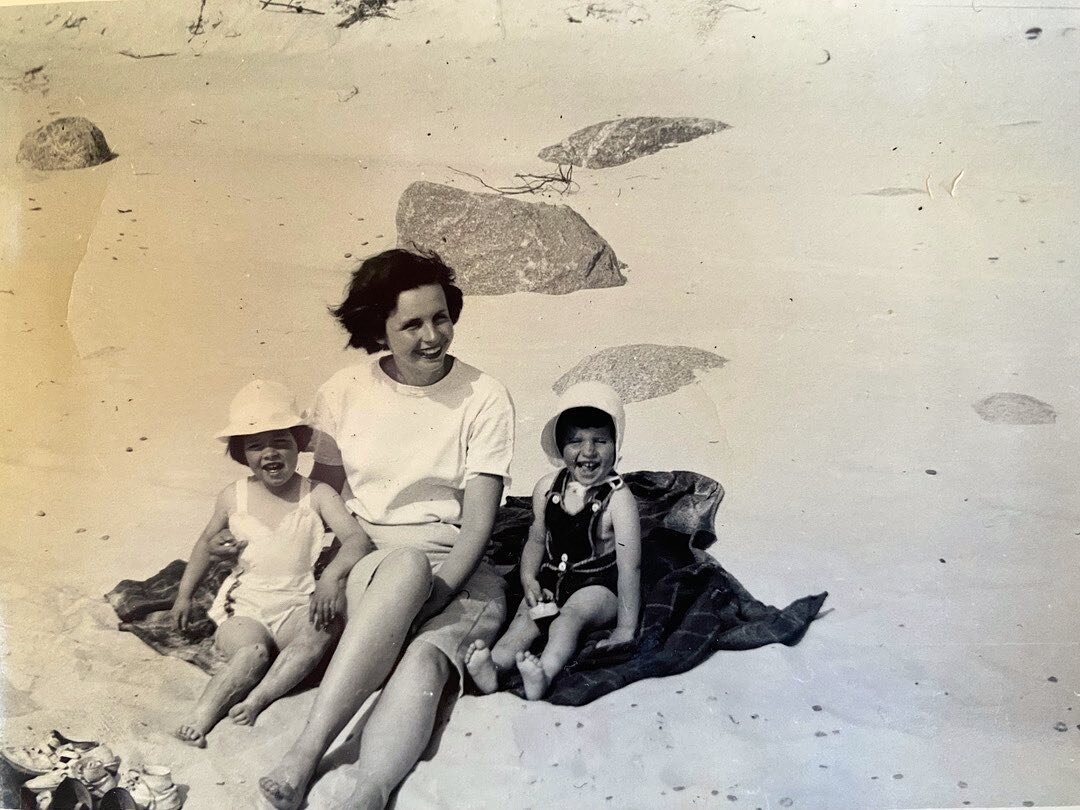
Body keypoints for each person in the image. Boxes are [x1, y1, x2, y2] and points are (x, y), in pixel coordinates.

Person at [258, 249, 514, 810]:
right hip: (369, 560)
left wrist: (435, 595)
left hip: (457, 570)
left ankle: (369, 791)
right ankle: (307, 752)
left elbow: (478, 523)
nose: (432, 336)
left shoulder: (484, 396)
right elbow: (323, 493)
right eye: (412, 324)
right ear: (380, 327)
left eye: (441, 317)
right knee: (403, 566)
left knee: (426, 661)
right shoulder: (345, 390)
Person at [170, 379, 370, 748]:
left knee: (321, 631)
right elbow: (203, 543)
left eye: (281, 442)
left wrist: (331, 579)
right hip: (245, 608)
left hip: (296, 603)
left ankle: (259, 699)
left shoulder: (318, 495)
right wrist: (184, 595)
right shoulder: (235, 496)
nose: (270, 453)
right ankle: (202, 715)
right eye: (255, 446)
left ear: (299, 445)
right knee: (252, 653)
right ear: (241, 454)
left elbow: (358, 539)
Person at [465, 382, 642, 700]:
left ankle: (544, 672)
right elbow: (535, 539)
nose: (588, 452)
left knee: (567, 621)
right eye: (575, 442)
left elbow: (631, 567)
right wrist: (528, 576)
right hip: (551, 579)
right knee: (524, 621)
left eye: (600, 441)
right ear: (560, 448)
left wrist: (625, 628)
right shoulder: (547, 487)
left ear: (617, 445)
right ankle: (493, 666)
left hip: (598, 586)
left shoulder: (619, 499)